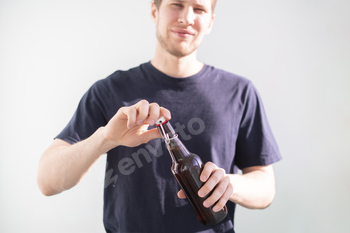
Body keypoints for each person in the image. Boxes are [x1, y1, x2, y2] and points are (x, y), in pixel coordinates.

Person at [37, 0, 282, 232]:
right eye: (176, 4)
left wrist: (229, 184)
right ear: (155, 11)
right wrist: (106, 139)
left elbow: (265, 188)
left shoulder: (239, 93)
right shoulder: (109, 91)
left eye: (199, 9)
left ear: (211, 22)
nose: (187, 18)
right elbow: (47, 180)